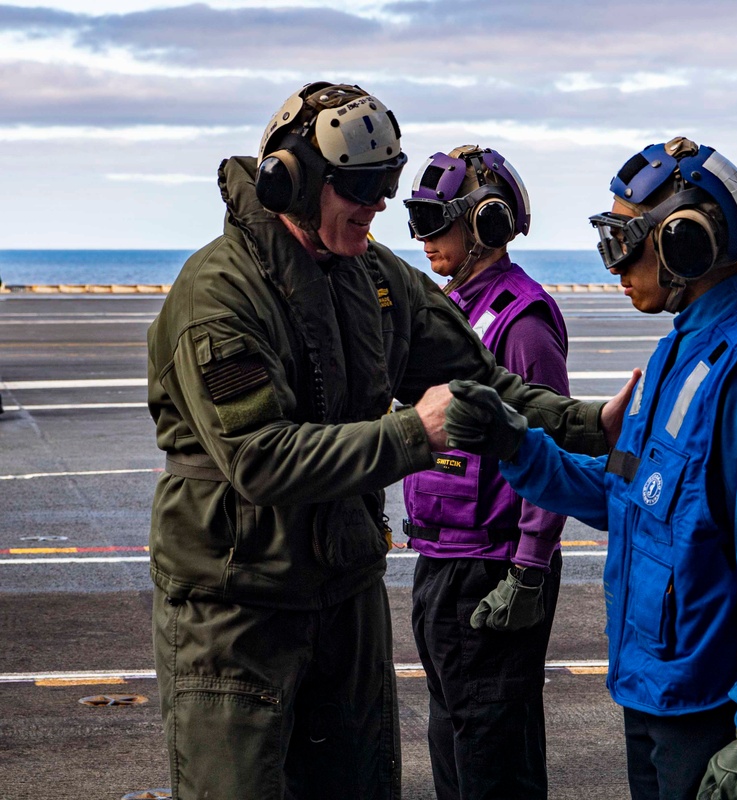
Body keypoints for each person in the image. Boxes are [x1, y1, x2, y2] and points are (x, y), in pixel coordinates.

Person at [145, 82, 613, 800]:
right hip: (238, 607)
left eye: (385, 185)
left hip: (345, 594)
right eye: (359, 187)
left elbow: (481, 382)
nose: (379, 206)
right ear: (292, 181)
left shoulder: (374, 281)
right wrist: (410, 434)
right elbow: (258, 458)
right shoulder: (219, 293)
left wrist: (590, 423)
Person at [442, 137, 737, 800]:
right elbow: (624, 496)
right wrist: (518, 446)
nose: (614, 264)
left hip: (717, 706)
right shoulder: (675, 356)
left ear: (685, 243)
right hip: (657, 689)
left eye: (627, 241)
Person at [402, 145, 569, 799]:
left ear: (487, 225)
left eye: (435, 220)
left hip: (493, 572)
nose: (422, 238)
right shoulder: (453, 314)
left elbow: (551, 446)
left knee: (490, 760)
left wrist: (527, 568)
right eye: (417, 220)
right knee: (457, 742)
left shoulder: (521, 324)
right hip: (444, 562)